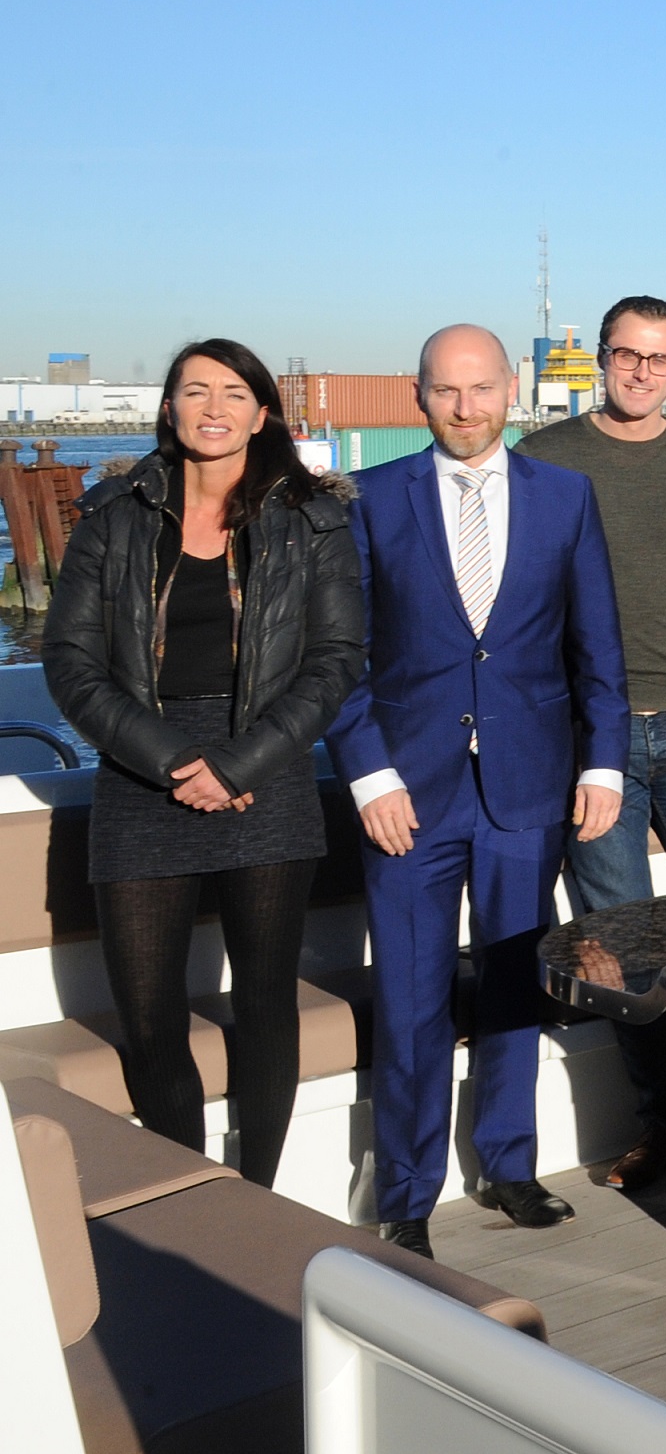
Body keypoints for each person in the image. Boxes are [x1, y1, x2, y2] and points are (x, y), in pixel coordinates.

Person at [328, 325, 627, 1255]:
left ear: (511, 391)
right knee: (411, 997)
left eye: (482, 388)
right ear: (418, 395)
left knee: (512, 985)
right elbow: (337, 656)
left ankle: (508, 1163)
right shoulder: (369, 498)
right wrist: (368, 772)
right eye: (447, 390)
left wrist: (604, 762)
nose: (466, 408)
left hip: (527, 786)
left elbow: (597, 646)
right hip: (405, 795)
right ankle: (406, 1194)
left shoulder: (566, 496)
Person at [41, 340, 364, 1192]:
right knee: (149, 1017)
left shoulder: (313, 519)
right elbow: (70, 659)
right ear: (169, 407)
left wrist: (240, 761)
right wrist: (174, 757)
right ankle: (189, 1194)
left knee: (264, 1004)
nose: (213, 407)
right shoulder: (113, 515)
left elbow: (334, 659)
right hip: (140, 769)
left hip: (268, 765)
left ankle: (255, 1197)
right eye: (195, 391)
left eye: (232, 393)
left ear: (261, 414)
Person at [517, 294, 666, 1190]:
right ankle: (661, 1125)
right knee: (622, 947)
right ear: (602, 358)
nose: (642, 372)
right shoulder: (543, 458)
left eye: (660, 359)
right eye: (628, 354)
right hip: (594, 741)